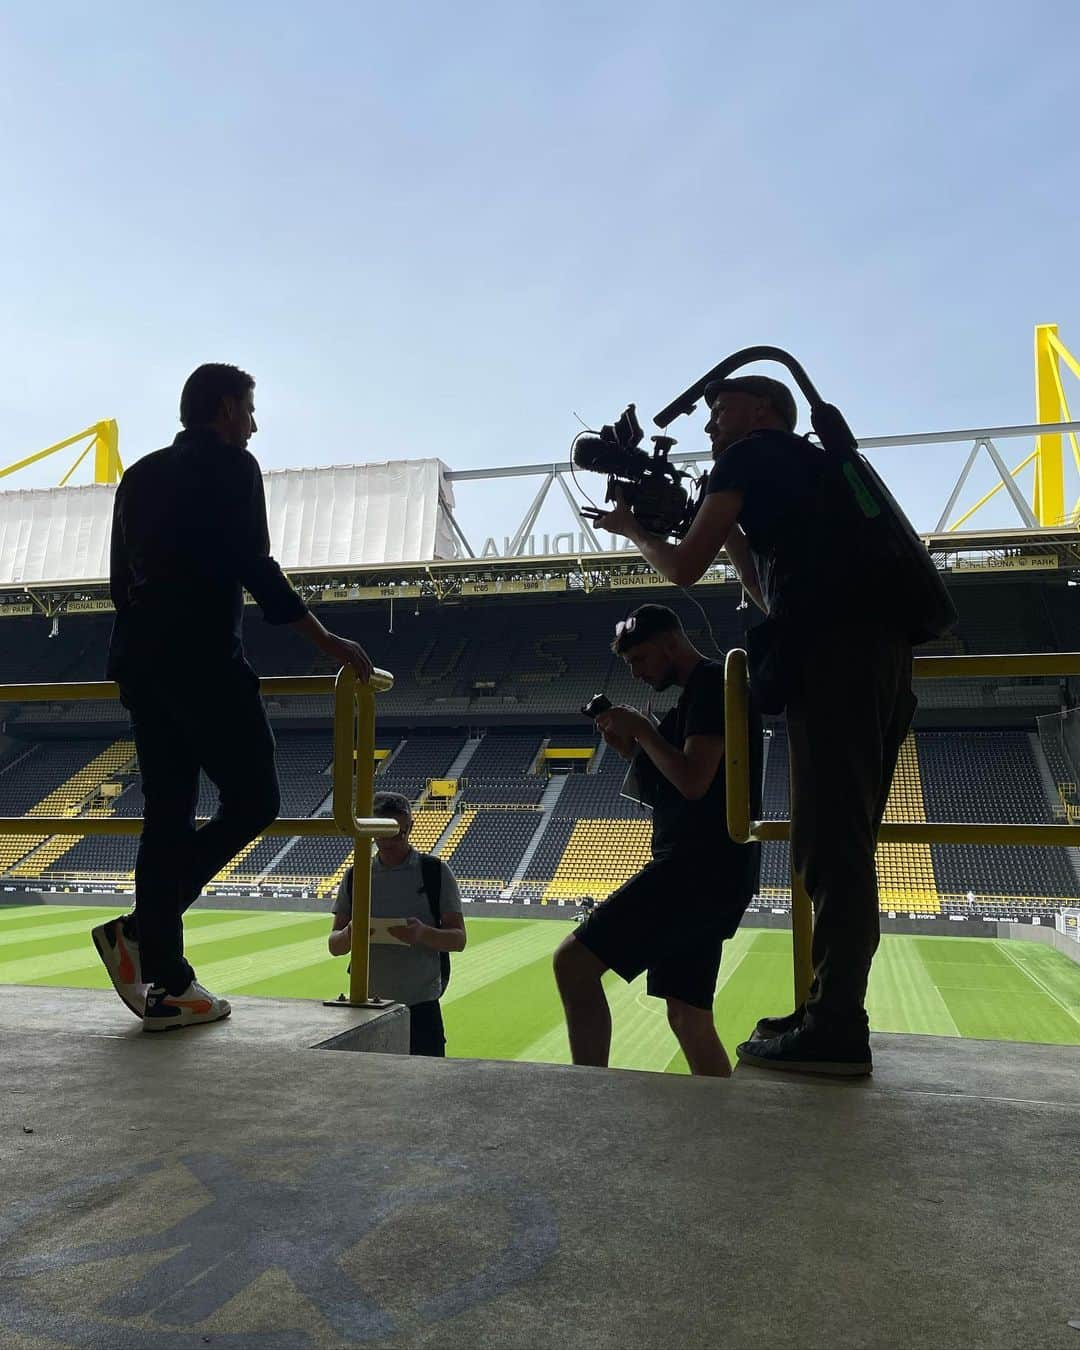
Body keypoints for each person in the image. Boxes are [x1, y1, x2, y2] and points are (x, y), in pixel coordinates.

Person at [588, 375, 916, 1077]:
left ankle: (835, 1028)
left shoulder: (753, 454)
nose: (710, 428)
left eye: (719, 411)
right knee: (835, 847)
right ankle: (829, 1010)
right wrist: (731, 531)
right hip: (869, 660)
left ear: (762, 411)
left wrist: (633, 530)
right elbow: (770, 593)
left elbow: (680, 569)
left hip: (834, 664)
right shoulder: (802, 469)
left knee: (833, 851)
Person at [92, 363, 374, 1032]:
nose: (255, 423)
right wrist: (325, 640)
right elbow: (255, 566)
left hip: (140, 665)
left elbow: (117, 584)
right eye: (249, 409)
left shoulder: (139, 476)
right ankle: (142, 933)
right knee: (256, 799)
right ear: (223, 410)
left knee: (168, 813)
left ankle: (167, 982)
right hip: (203, 664)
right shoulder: (233, 467)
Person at [552, 605, 761, 1078]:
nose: (639, 673)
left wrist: (644, 730)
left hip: (696, 868)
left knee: (572, 963)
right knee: (687, 1015)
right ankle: (720, 1121)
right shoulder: (696, 695)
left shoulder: (711, 684)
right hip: (714, 870)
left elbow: (693, 781)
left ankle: (586, 1097)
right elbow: (672, 784)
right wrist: (633, 747)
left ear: (672, 644)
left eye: (641, 660)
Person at [329, 791, 466, 1056]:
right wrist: (350, 934)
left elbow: (458, 939)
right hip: (367, 1006)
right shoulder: (356, 875)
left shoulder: (435, 872)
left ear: (410, 827)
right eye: (383, 831)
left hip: (421, 1007)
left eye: (398, 832)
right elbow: (335, 946)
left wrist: (423, 934)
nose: (391, 840)